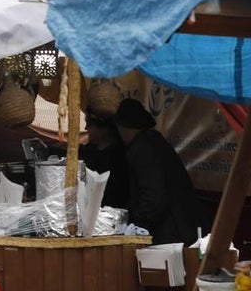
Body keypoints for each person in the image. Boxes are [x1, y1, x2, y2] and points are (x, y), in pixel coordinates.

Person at [113, 98, 207, 245]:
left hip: (171, 233)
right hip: (180, 227)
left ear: (122, 127)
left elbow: (153, 196)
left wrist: (138, 228)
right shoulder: (153, 142)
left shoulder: (143, 148)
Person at [80, 112, 130, 210]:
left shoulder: (119, 156)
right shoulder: (89, 150)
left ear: (104, 129)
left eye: (89, 124)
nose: (86, 128)